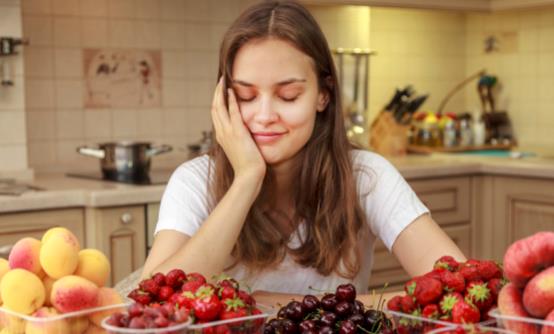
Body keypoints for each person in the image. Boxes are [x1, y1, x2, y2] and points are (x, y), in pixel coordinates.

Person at [142, 0, 466, 306]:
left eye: (288, 96)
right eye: (245, 96)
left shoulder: (367, 175)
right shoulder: (196, 181)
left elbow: (457, 289)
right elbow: (156, 304)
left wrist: (280, 305)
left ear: (322, 95)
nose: (264, 115)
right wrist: (247, 179)